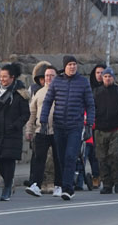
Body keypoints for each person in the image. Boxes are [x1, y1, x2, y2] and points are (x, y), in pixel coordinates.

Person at [39, 55, 94, 201]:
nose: (72, 67)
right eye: (70, 64)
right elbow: (47, 101)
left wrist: (89, 124)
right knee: (61, 157)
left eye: (74, 64)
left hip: (75, 126)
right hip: (59, 125)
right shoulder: (57, 81)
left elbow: (90, 104)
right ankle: (65, 184)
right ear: (65, 67)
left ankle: (68, 188)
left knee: (71, 156)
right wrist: (43, 121)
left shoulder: (83, 82)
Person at [0, 63, 30, 201]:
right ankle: (7, 182)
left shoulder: (20, 94)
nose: (2, 79)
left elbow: (25, 114)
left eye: (5, 77)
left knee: (9, 161)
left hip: (12, 132)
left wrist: (16, 125)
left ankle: (6, 187)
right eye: (1, 77)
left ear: (12, 78)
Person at [92, 67, 118, 193]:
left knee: (116, 156)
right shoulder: (96, 92)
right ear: (102, 78)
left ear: (113, 78)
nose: (107, 79)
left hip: (116, 129)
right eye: (105, 76)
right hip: (100, 130)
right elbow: (91, 108)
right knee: (102, 158)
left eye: (110, 76)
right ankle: (107, 184)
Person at [24, 63, 58, 197]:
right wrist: (29, 129)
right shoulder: (38, 93)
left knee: (57, 160)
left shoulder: (61, 91)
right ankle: (36, 184)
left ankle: (57, 184)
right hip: (41, 130)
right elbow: (32, 113)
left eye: (51, 76)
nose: (49, 78)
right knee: (39, 159)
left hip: (57, 131)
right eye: (47, 76)